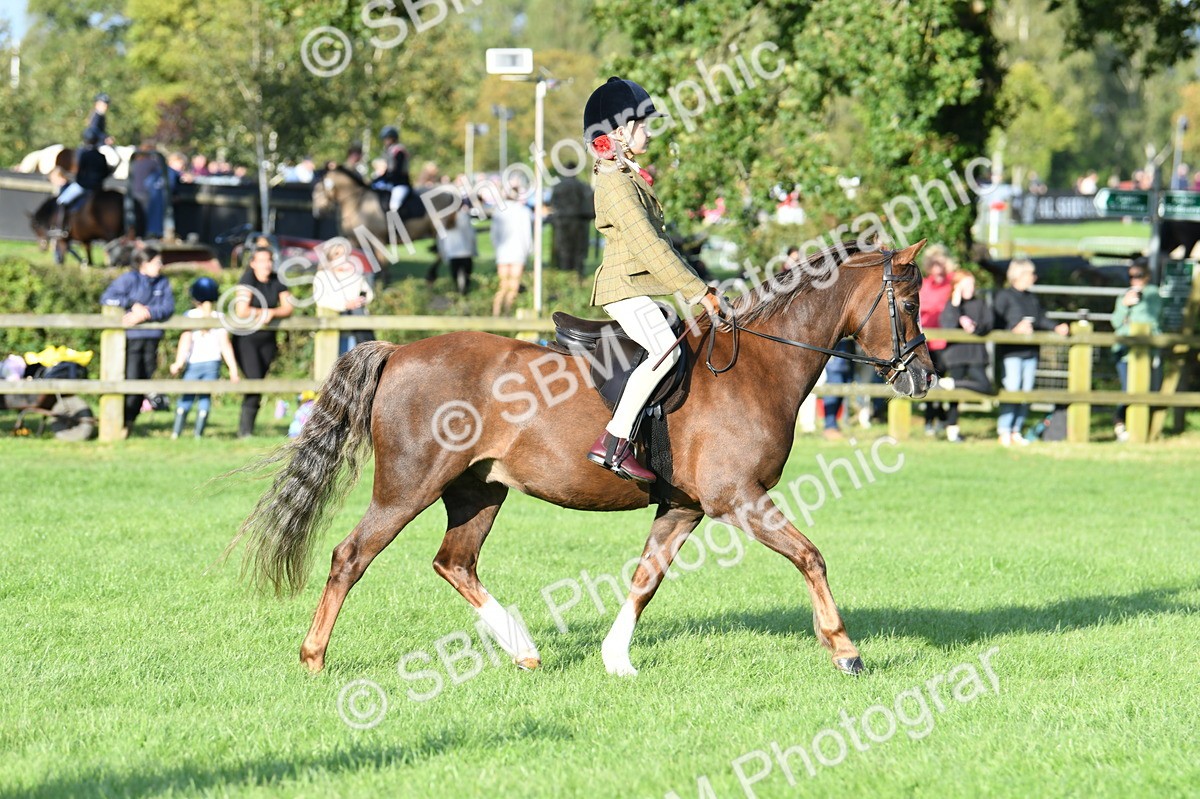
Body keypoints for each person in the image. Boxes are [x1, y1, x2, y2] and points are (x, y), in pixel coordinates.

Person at [583, 76, 722, 482]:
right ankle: (613, 442)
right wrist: (698, 291)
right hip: (624, 288)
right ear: (619, 132)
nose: (648, 132)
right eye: (641, 125)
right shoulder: (614, 182)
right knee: (666, 350)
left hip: (639, 286)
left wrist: (700, 285)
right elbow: (649, 247)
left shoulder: (625, 176)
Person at [99, 246, 175, 435]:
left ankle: (129, 422)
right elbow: (107, 298)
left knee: (145, 381)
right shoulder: (128, 280)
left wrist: (147, 313)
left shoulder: (162, 282)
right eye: (157, 262)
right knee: (131, 381)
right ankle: (121, 423)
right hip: (131, 340)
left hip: (152, 339)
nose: (161, 266)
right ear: (144, 263)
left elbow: (168, 308)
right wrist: (132, 306)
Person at [993, 259, 1069, 446]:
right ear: (1018, 275)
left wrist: (1056, 327)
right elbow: (995, 323)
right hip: (1011, 353)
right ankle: (1004, 430)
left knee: (1026, 393)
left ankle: (1016, 430)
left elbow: (1041, 319)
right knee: (1012, 391)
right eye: (1030, 274)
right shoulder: (1004, 296)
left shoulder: (1031, 298)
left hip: (1031, 352)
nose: (1034, 277)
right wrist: (1013, 330)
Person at [232, 247, 295, 437]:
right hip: (246, 340)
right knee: (254, 381)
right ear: (252, 263)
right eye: (261, 260)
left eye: (269, 260)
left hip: (267, 340)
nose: (266, 264)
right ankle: (245, 431)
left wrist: (272, 313)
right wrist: (262, 313)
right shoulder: (247, 280)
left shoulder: (277, 279)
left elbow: (288, 307)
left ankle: (247, 429)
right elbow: (241, 310)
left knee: (260, 380)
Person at [168, 277, 239, 438]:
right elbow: (225, 345)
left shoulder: (190, 315)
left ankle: (175, 433)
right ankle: (198, 435)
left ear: (194, 298)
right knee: (205, 398)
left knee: (187, 396)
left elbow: (185, 340)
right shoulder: (219, 316)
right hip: (213, 364)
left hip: (194, 363)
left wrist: (178, 362)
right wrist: (233, 369)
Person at [1110, 260, 1163, 442]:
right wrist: (1125, 306)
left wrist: (1128, 324)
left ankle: (1134, 428)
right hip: (1124, 351)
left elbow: (1148, 321)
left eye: (1138, 276)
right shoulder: (1124, 296)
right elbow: (1116, 323)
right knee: (1127, 389)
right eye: (1131, 276)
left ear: (1146, 276)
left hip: (1143, 350)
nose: (1135, 280)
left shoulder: (1152, 294)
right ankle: (1120, 424)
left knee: (1140, 389)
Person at [938, 270, 994, 442]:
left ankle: (954, 383)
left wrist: (974, 327)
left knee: (985, 386)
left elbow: (988, 323)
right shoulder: (951, 306)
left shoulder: (980, 304)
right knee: (954, 398)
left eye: (972, 284)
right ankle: (952, 431)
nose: (971, 288)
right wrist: (956, 306)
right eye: (966, 284)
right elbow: (947, 325)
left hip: (976, 355)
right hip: (956, 356)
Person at [313, 242, 375, 355]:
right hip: (333, 329)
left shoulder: (354, 275)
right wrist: (345, 305)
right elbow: (321, 299)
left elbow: (368, 294)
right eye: (337, 254)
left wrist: (359, 300)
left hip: (357, 329)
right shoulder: (322, 276)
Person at [918, 245, 954, 436]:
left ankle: (942, 419)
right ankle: (931, 420)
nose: (937, 268)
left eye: (940, 263)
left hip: (946, 342)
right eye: (933, 264)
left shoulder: (951, 285)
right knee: (930, 381)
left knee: (944, 382)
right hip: (927, 342)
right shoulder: (924, 285)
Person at [52, 129, 113, 234]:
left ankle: (60, 227)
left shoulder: (84, 155)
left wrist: (78, 180)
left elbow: (80, 173)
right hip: (98, 188)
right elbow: (105, 173)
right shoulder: (101, 156)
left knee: (61, 201)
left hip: (84, 186)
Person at [490, 184, 534, 316]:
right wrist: (529, 251)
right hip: (518, 252)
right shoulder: (523, 211)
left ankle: (496, 314)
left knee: (503, 285)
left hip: (503, 252)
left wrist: (498, 248)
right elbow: (527, 234)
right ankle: (507, 313)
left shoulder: (498, 211)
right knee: (513, 286)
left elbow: (494, 235)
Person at [549, 162, 595, 275]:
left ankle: (564, 272)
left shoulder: (558, 186)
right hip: (579, 222)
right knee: (579, 250)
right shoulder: (583, 186)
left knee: (563, 249)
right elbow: (590, 205)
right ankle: (577, 273)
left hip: (562, 221)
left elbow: (553, 204)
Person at [435, 202, 477, 295]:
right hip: (465, 253)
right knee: (466, 283)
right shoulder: (463, 217)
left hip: (452, 254)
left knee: (456, 283)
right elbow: (471, 235)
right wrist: (473, 250)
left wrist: (444, 254)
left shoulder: (443, 221)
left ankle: (458, 298)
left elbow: (440, 240)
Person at [372, 125, 413, 216]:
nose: (385, 142)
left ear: (393, 139)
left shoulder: (399, 151)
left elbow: (396, 172)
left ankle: (396, 227)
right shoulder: (389, 152)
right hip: (392, 183)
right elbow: (387, 171)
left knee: (394, 205)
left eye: (386, 139)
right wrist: (376, 180)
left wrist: (386, 178)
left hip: (401, 184)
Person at [819, 339, 855, 440]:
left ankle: (833, 425)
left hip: (846, 358)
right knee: (833, 393)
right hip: (835, 362)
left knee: (840, 394)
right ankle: (829, 426)